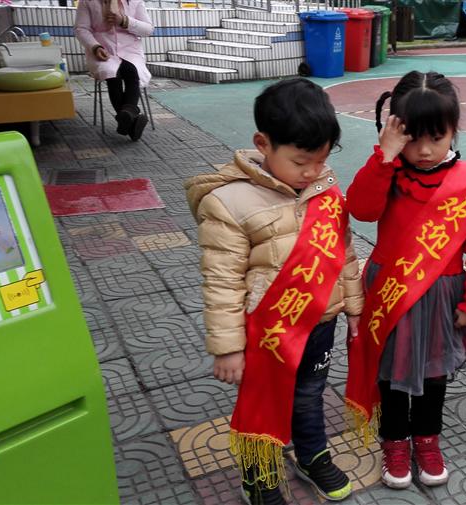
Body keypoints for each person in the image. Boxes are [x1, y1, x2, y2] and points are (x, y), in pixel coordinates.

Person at [184, 79, 363, 505]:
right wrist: (228, 348)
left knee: (309, 394)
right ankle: (259, 475)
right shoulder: (228, 203)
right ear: (263, 144)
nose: (312, 172)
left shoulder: (325, 188)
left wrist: (354, 306)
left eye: (321, 160)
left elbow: (344, 251)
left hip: (320, 323)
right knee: (264, 402)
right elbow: (221, 281)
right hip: (267, 333)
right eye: (301, 161)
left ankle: (311, 453)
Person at [344, 71, 466, 489]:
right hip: (391, 290)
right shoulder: (389, 172)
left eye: (437, 137)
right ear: (396, 131)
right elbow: (361, 209)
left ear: (454, 131)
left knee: (433, 375)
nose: (425, 150)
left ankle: (427, 439)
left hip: (441, 295)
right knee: (390, 372)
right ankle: (394, 441)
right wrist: (384, 155)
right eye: (413, 138)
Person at [74, 0, 153, 141]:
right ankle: (130, 120)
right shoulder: (87, 2)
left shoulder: (135, 1)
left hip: (131, 50)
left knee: (132, 70)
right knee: (112, 74)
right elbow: (81, 29)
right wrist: (95, 47)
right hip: (102, 50)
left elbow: (148, 29)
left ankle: (127, 119)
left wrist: (124, 20)